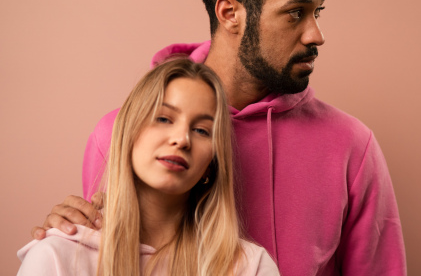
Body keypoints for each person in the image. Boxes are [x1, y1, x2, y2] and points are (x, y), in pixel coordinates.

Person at [32, 0, 407, 275]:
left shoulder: (351, 145)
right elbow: (102, 250)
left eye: (317, 12)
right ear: (230, 13)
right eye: (295, 13)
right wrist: (67, 232)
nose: (315, 35)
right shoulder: (120, 133)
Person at [18, 59, 279, 275]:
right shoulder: (55, 257)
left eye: (201, 130)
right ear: (128, 134)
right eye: (164, 118)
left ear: (211, 166)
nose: (181, 139)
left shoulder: (251, 267)